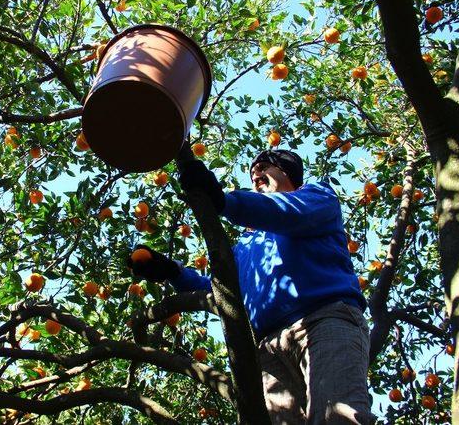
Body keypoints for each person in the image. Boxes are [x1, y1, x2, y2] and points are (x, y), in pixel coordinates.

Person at [128, 149, 372, 424]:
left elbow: (290, 213)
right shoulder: (246, 244)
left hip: (323, 320)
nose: (256, 174)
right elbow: (219, 289)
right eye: (252, 172)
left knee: (336, 417)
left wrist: (224, 202)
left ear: (287, 172)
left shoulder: (316, 196)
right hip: (267, 346)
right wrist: (171, 271)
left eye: (264, 167)